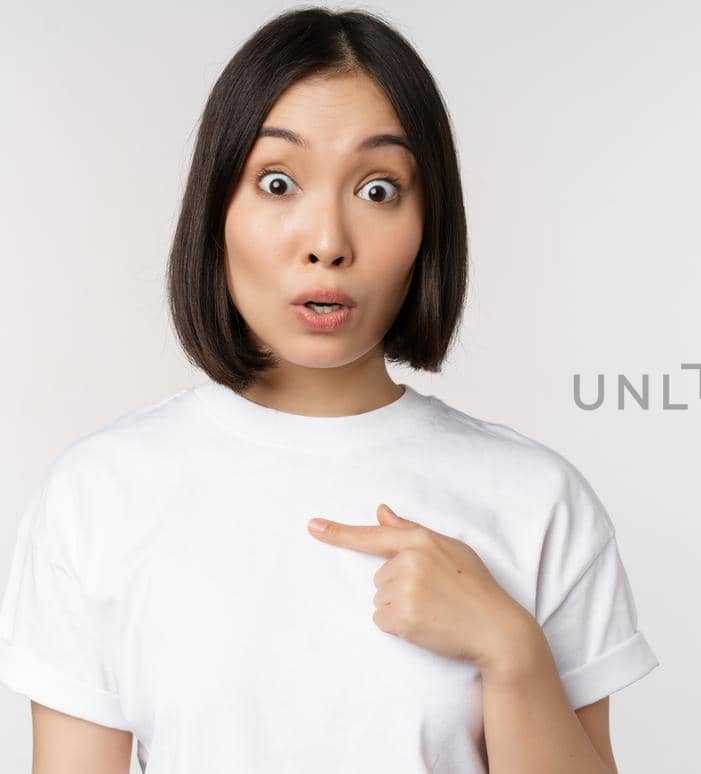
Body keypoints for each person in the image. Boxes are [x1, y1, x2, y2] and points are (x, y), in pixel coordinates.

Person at [0, 7, 658, 773]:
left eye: (378, 190)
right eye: (277, 182)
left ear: (428, 224)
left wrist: (511, 653)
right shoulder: (100, 495)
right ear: (217, 209)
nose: (328, 242)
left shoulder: (537, 501)